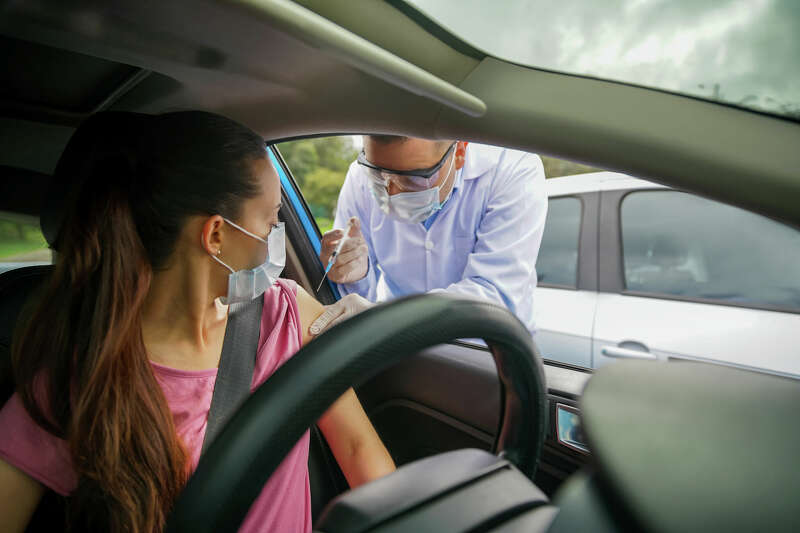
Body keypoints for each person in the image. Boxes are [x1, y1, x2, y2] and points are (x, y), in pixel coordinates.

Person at [0, 112, 395, 533]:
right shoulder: (82, 376)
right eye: (269, 219)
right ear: (216, 236)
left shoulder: (287, 316)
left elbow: (359, 452)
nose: (276, 231)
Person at [310, 136, 547, 335]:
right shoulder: (360, 177)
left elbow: (493, 298)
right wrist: (356, 273)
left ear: (460, 151)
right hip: (399, 347)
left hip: (486, 354)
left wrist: (383, 317)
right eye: (379, 175)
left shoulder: (512, 170)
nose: (391, 193)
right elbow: (351, 303)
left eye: (412, 178)